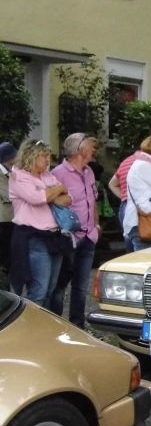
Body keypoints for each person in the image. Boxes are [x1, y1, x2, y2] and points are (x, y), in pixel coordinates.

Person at [8, 139, 72, 305]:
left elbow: (68, 199)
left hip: (54, 235)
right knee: (39, 290)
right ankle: (28, 320)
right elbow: (37, 198)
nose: (47, 159)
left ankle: (45, 320)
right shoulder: (19, 176)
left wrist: (49, 195)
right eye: (44, 156)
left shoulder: (47, 175)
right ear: (32, 156)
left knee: (51, 288)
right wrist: (57, 190)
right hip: (33, 236)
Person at [48, 133, 100, 328]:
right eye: (91, 147)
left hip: (88, 236)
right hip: (69, 237)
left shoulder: (89, 172)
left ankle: (77, 326)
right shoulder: (58, 173)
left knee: (81, 286)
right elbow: (52, 205)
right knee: (60, 284)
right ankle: (55, 326)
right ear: (80, 150)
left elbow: (93, 201)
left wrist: (96, 226)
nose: (94, 150)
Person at [109, 135, 151, 252]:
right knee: (145, 248)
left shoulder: (126, 161)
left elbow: (112, 184)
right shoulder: (148, 163)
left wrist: (125, 198)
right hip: (141, 209)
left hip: (125, 208)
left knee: (131, 247)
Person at [0, 142, 18, 290]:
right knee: (4, 258)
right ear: (8, 157)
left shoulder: (11, 172)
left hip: (11, 220)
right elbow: (8, 195)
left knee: (9, 259)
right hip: (2, 221)